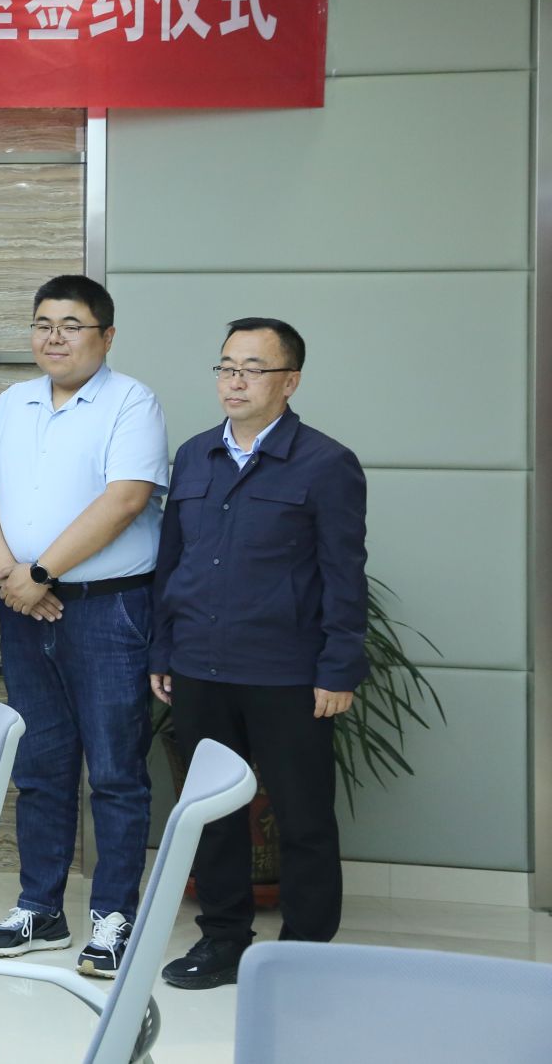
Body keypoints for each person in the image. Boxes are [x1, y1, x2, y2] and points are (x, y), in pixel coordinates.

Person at [151, 318, 367, 989]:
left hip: (287, 673)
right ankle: (222, 940)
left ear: (289, 381)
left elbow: (344, 574)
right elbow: (171, 563)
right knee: (214, 815)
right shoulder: (194, 456)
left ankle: (303, 956)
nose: (235, 381)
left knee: (303, 817)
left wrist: (339, 667)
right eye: (226, 367)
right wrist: (163, 647)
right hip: (200, 665)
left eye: (252, 368)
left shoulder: (326, 463)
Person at [0, 274, 168, 978]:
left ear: (106, 336)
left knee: (114, 769)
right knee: (41, 765)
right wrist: (12, 575)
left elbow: (126, 498)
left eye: (72, 325)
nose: (54, 337)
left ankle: (113, 915)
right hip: (23, 607)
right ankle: (40, 908)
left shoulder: (131, 400)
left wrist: (42, 571)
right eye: (43, 324)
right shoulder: (12, 402)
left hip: (108, 609)